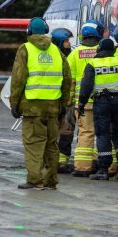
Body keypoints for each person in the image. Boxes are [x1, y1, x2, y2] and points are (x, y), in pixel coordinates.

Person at [10, 17, 72, 189]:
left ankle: (35, 179)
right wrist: (63, 105)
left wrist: (14, 104)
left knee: (33, 145)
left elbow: (18, 79)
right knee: (51, 145)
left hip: (32, 107)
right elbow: (67, 79)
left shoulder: (25, 49)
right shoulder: (56, 51)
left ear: (28, 31)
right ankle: (51, 180)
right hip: (53, 107)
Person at [77, 38, 118, 181]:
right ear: (113, 50)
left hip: (102, 103)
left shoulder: (92, 64)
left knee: (103, 134)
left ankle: (103, 169)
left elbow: (86, 86)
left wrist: (81, 103)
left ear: (99, 49)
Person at [67, 20, 103, 176]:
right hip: (101, 101)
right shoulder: (102, 52)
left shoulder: (74, 54)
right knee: (102, 133)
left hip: (82, 103)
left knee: (85, 133)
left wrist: (69, 102)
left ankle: (82, 167)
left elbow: (70, 81)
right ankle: (99, 163)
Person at [51, 27, 76, 173]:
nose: (68, 43)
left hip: (66, 101)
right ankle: (54, 161)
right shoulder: (56, 57)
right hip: (57, 100)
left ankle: (62, 162)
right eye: (66, 41)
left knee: (66, 132)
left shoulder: (70, 55)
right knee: (55, 132)